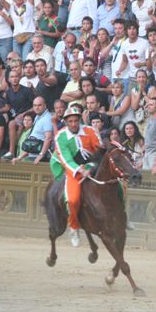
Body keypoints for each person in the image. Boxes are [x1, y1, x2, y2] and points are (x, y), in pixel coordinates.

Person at [50, 105, 102, 247]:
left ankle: (122, 217)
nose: (73, 124)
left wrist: (91, 168)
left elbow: (99, 151)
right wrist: (80, 170)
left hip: (92, 166)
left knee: (116, 183)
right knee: (72, 200)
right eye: (70, 121)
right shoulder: (60, 136)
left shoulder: (90, 131)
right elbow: (66, 159)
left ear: (79, 120)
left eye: (75, 120)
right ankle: (73, 227)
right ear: (66, 122)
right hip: (73, 170)